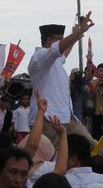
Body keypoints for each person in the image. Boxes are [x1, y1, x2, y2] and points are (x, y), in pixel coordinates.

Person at [27, 13, 96, 150]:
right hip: (47, 119)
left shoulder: (56, 60)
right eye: (59, 39)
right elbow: (58, 49)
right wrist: (79, 31)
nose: (62, 42)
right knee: (50, 160)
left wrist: (75, 36)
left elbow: (64, 53)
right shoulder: (39, 57)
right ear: (48, 41)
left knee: (92, 146)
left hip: (67, 117)